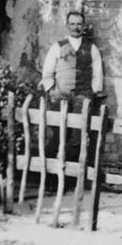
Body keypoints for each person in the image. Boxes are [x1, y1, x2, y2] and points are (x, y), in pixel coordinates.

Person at [39, 11, 104, 158]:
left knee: (78, 134)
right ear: (67, 25)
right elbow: (47, 72)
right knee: (58, 132)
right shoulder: (58, 46)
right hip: (61, 95)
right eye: (72, 24)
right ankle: (51, 173)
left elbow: (97, 73)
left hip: (83, 96)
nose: (76, 27)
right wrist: (51, 90)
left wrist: (92, 91)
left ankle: (71, 173)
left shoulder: (91, 48)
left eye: (79, 24)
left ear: (83, 26)